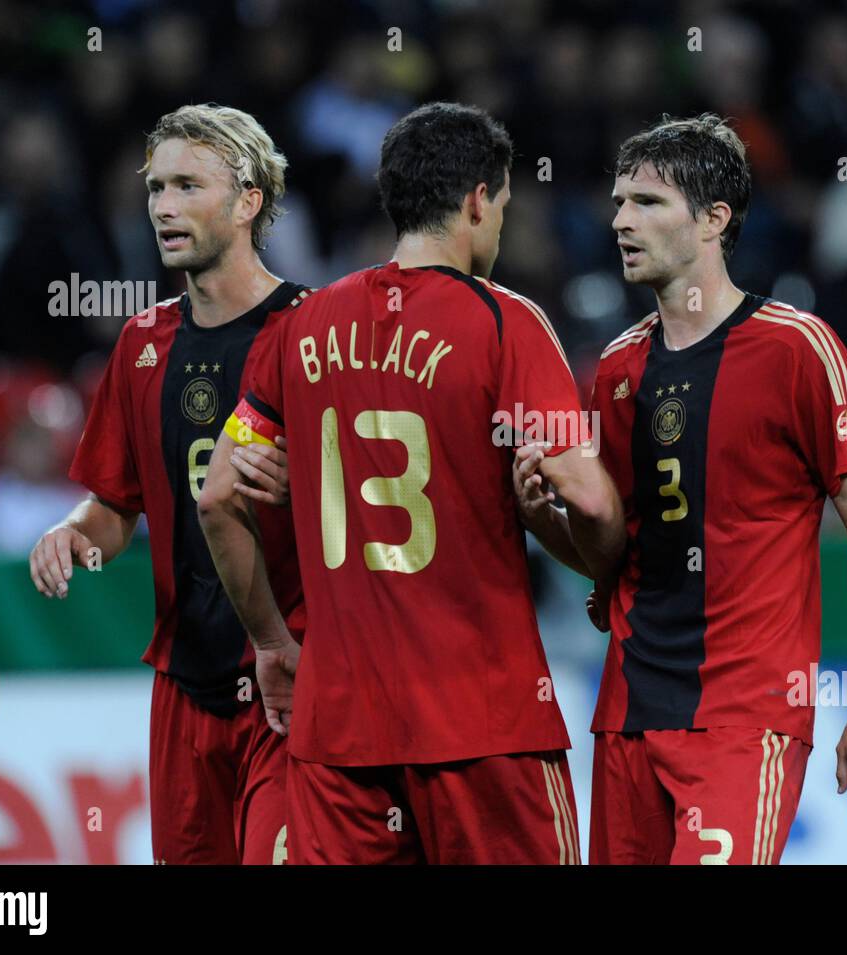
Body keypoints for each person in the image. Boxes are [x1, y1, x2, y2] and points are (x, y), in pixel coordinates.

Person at [199, 102, 625, 864]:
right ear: (476, 201)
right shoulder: (504, 323)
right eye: (500, 206)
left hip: (340, 732)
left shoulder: (298, 327)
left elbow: (218, 495)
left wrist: (270, 640)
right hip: (486, 723)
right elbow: (590, 498)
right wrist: (585, 541)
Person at [514, 114, 847, 864]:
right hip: (626, 715)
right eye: (620, 202)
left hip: (745, 717)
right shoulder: (620, 371)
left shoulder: (798, 348)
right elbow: (615, 556)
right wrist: (548, 521)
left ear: (713, 220)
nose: (622, 220)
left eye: (648, 203)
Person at [29, 104, 307, 864]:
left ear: (249, 200)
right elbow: (117, 505)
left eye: (187, 185)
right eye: (156, 189)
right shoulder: (141, 342)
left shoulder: (313, 333)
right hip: (183, 689)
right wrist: (75, 533)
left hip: (291, 685)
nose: (163, 207)